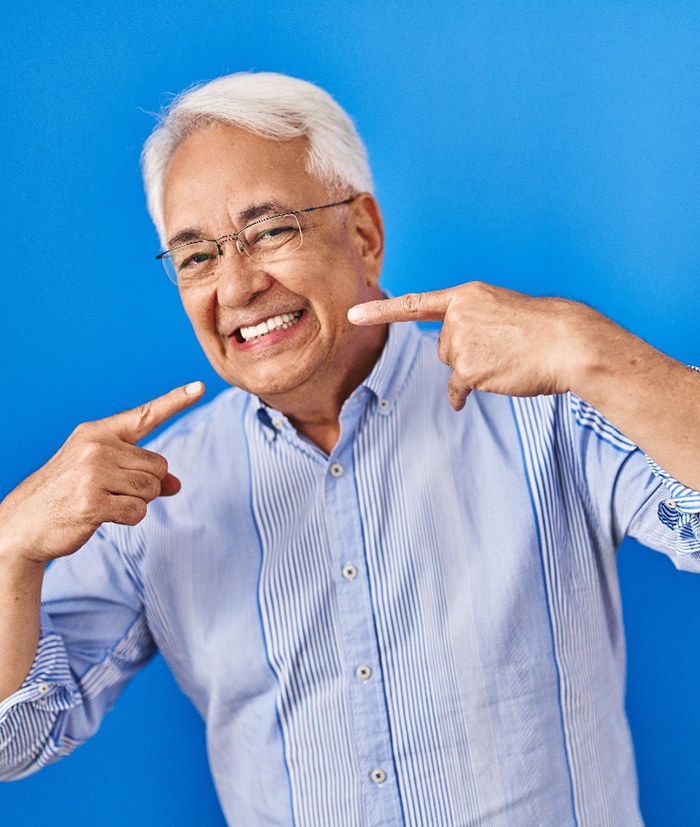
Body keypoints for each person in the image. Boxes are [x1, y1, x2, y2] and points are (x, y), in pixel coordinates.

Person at [0, 71, 698, 827]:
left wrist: (588, 349)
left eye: (269, 231)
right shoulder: (160, 492)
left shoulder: (541, 404)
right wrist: (10, 548)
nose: (236, 287)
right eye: (197, 256)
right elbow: (13, 740)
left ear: (363, 232)